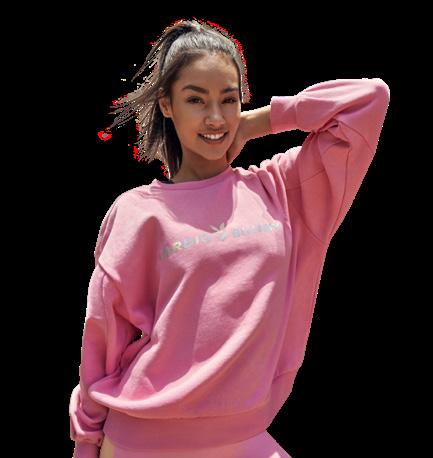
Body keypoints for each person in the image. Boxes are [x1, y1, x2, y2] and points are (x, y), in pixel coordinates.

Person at [69, 17, 390, 458]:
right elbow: (103, 338)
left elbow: (370, 99)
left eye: (228, 98)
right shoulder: (137, 212)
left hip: (244, 434)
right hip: (144, 438)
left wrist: (260, 122)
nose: (216, 117)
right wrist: (86, 443)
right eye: (195, 100)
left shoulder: (283, 190)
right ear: (166, 104)